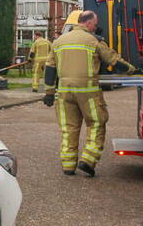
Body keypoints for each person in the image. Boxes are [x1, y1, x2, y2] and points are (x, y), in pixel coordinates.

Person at [43, 10, 135, 177]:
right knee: (96, 123)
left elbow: (50, 68)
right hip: (88, 92)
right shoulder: (93, 41)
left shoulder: (58, 42)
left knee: (68, 128)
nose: (96, 26)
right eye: (95, 23)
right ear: (88, 23)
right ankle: (88, 160)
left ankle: (68, 165)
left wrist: (49, 92)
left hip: (64, 92)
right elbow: (113, 60)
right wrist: (132, 70)